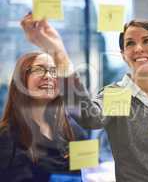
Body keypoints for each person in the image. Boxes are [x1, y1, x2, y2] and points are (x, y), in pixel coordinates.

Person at [21, 14, 148, 182]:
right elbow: (88, 117)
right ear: (124, 54)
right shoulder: (119, 95)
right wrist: (58, 53)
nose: (139, 48)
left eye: (147, 41)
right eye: (130, 43)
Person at [0, 51, 87, 181]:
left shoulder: (75, 132)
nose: (48, 76)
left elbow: (90, 175)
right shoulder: (6, 135)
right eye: (39, 69)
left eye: (54, 71)